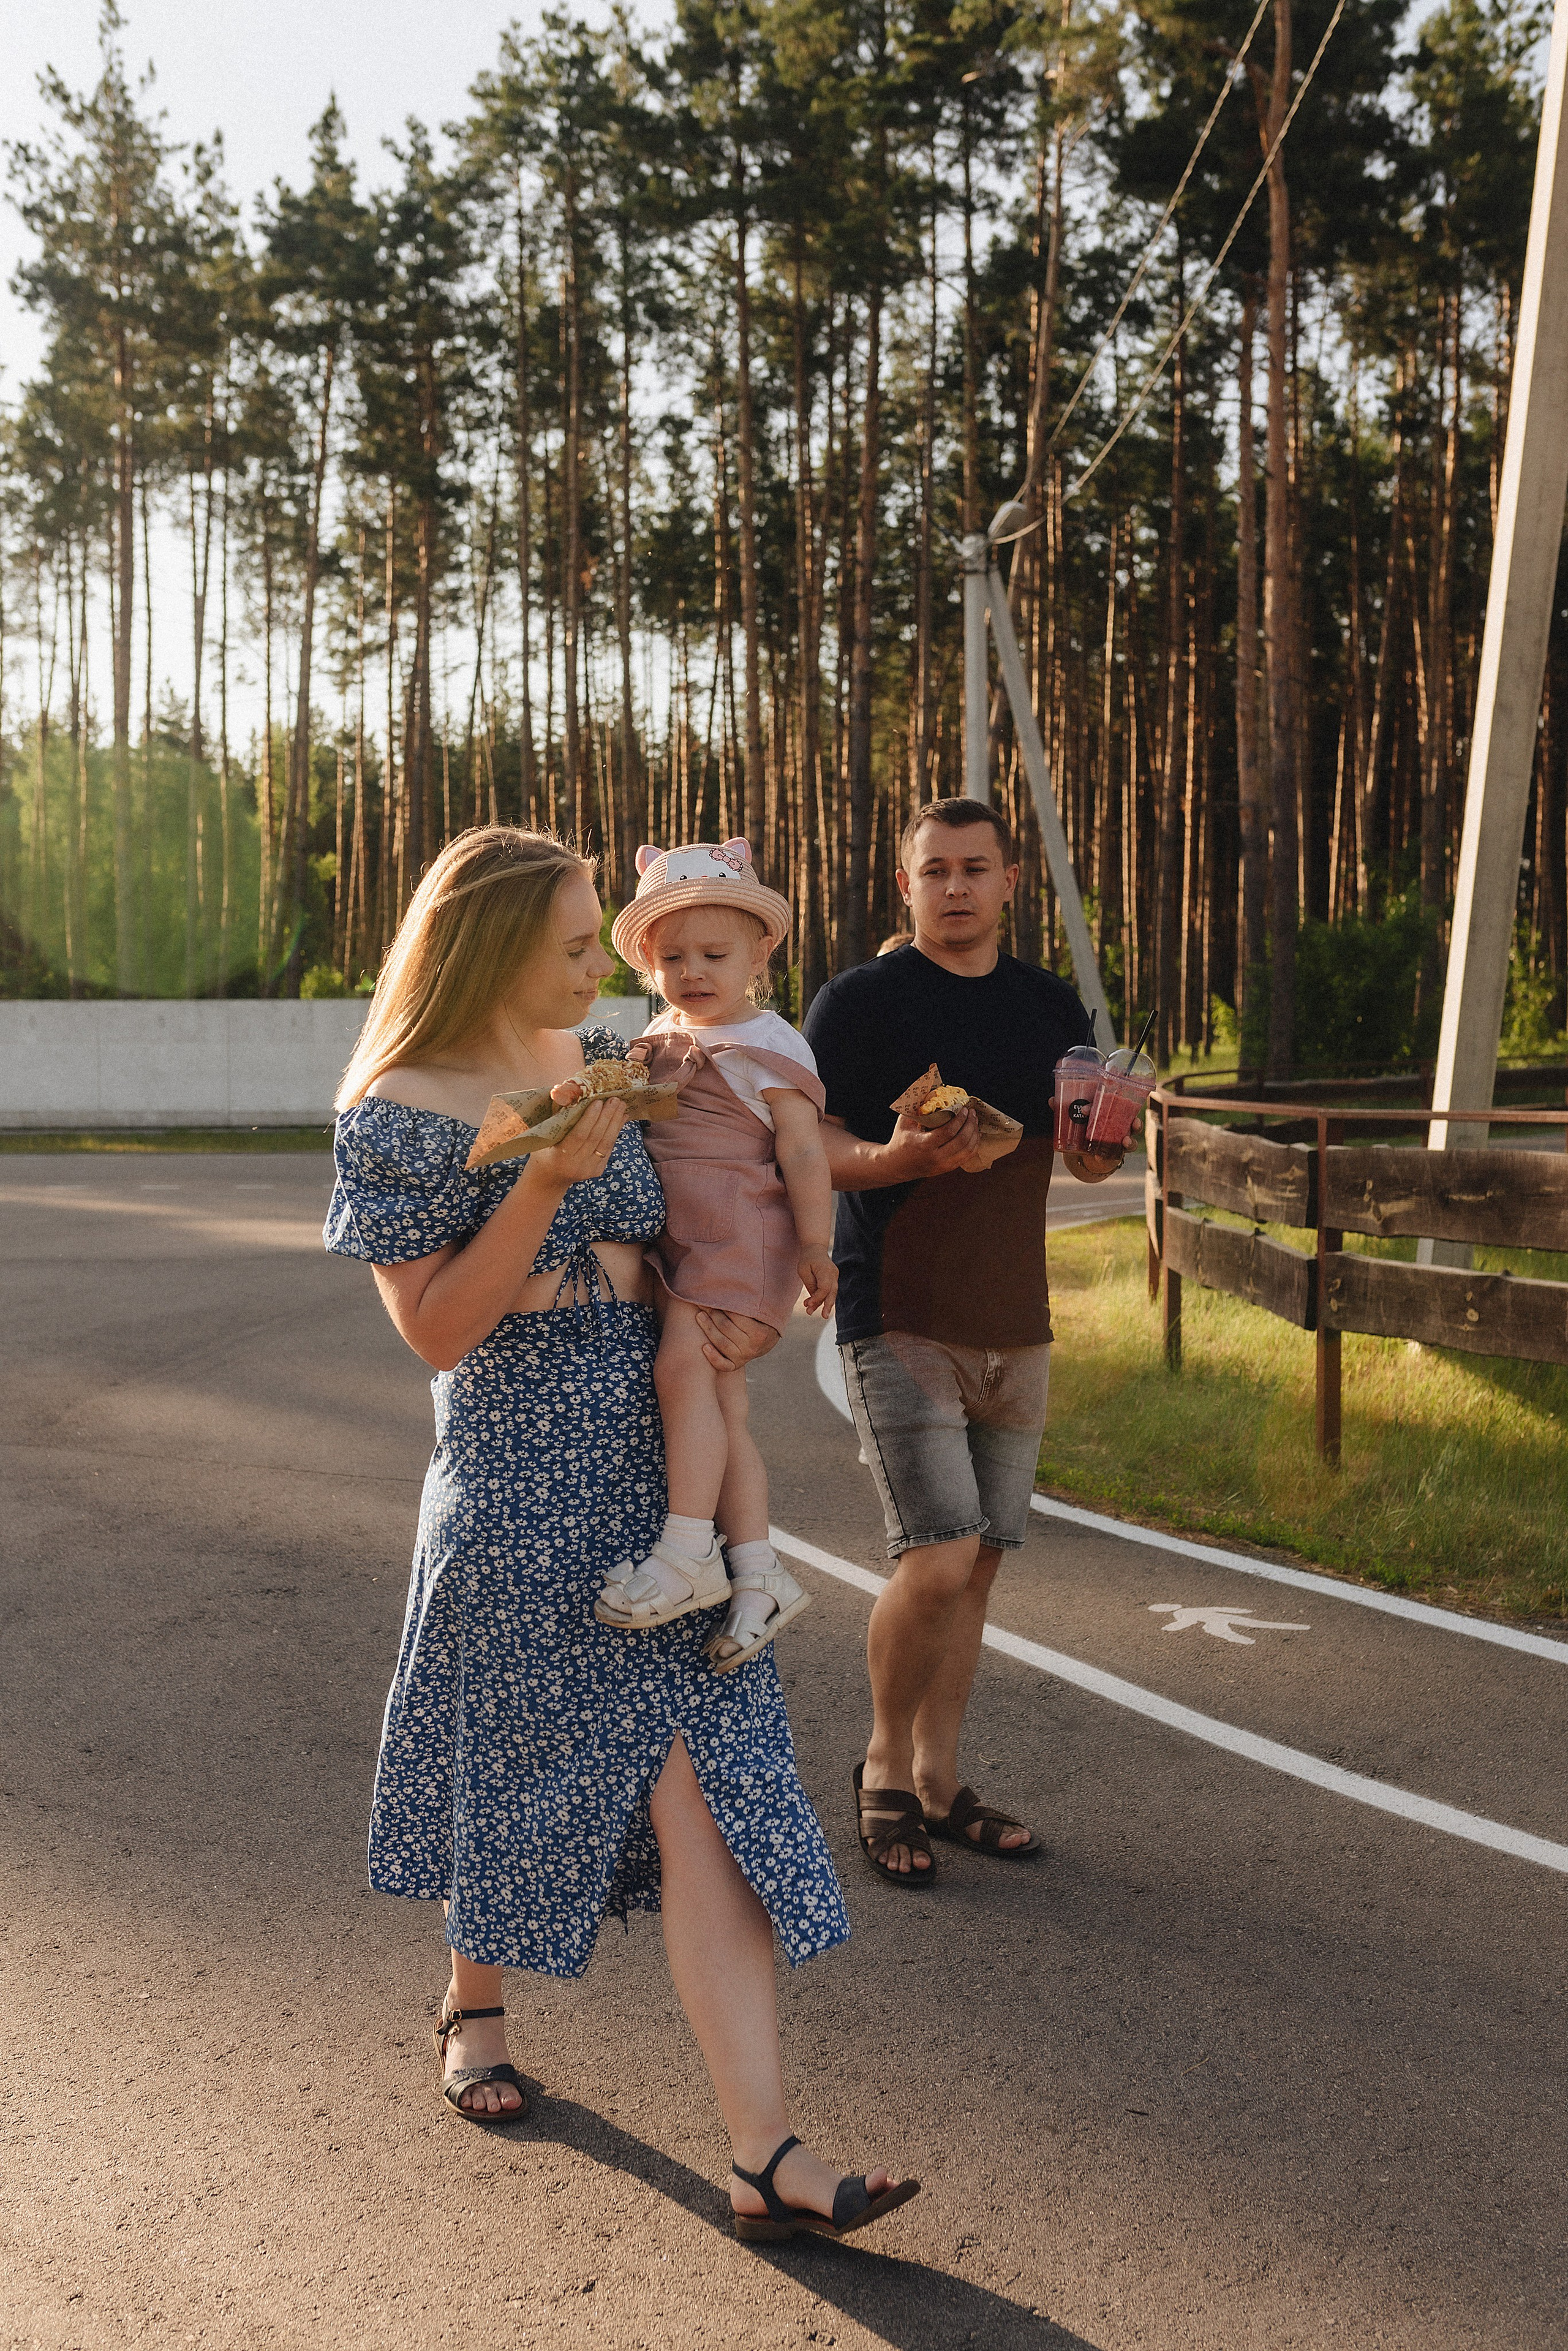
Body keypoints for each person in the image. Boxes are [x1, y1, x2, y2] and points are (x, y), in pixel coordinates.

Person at [324, 825, 916, 2244]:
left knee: (705, 1788)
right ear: (490, 946)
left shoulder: (603, 1057)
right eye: (582, 942)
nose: (610, 968)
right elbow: (435, 1331)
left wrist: (745, 1293)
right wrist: (540, 1180)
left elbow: (719, 1189)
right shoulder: (398, 1106)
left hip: (666, 1475)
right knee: (520, 1757)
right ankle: (475, 2001)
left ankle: (763, 2152)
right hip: (521, 1474)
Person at [803, 798, 1125, 1885]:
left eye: (973, 869)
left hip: (1013, 1319)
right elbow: (808, 1148)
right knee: (935, 1555)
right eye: (933, 869)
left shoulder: (1049, 1008)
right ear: (907, 884)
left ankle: (942, 1783)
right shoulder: (860, 1003)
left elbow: (1080, 1154)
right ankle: (884, 1771)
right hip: (896, 1307)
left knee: (979, 1566)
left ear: (1008, 883)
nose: (954, 887)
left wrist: (1096, 1153)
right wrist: (897, 1160)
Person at [578, 839, 835, 1674]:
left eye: (715, 955)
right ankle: (758, 1572)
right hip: (684, 1240)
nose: (693, 972)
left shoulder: (772, 1044)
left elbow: (803, 1155)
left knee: (680, 1375)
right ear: (649, 960)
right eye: (673, 956)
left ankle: (689, 1550)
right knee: (722, 1409)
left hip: (738, 1237)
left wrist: (817, 1248)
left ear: (761, 953)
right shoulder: (657, 1037)